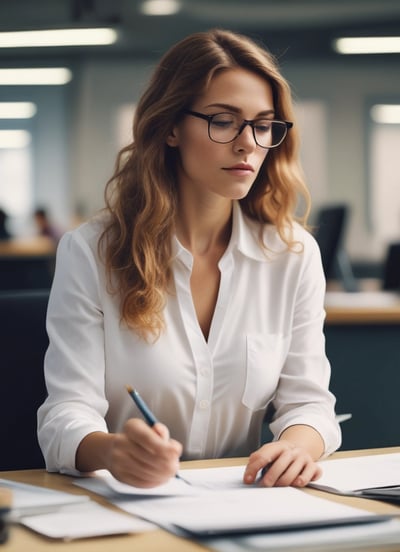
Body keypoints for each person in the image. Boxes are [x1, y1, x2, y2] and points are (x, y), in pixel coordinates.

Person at [37, 28, 341, 489]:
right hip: (123, 503)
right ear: (171, 127)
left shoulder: (292, 256)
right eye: (224, 120)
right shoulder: (92, 251)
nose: (248, 144)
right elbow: (65, 413)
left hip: (246, 504)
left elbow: (310, 404)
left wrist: (297, 446)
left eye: (263, 124)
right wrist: (115, 452)